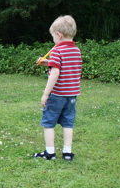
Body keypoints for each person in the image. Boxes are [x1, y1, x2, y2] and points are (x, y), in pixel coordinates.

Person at [34, 15, 82, 161]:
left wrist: (45, 94)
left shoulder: (56, 50)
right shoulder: (76, 51)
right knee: (68, 122)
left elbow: (55, 73)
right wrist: (47, 63)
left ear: (59, 35)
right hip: (72, 95)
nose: (53, 40)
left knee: (49, 122)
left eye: (53, 37)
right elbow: (66, 66)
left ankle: (50, 153)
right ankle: (67, 153)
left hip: (57, 94)